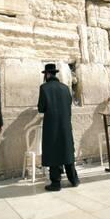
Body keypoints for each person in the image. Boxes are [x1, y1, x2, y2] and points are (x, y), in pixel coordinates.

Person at [37, 63, 80, 191]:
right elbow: (69, 104)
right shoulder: (65, 88)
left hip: (52, 125)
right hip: (65, 124)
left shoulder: (44, 88)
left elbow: (41, 108)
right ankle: (74, 179)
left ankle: (55, 183)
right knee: (66, 150)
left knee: (53, 151)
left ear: (47, 74)